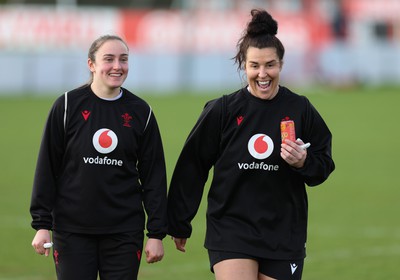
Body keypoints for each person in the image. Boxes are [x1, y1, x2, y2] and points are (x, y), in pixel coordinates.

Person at [167, 9, 335, 280]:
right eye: (254, 66)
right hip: (231, 226)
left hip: (284, 231)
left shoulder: (300, 109)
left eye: (270, 64)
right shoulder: (222, 110)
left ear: (281, 64)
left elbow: (324, 165)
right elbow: (193, 164)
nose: (262, 73)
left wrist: (304, 162)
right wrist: (179, 221)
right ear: (243, 66)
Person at [30, 35, 167, 280]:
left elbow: (154, 177)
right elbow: (47, 168)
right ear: (91, 64)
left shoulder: (141, 112)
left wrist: (156, 233)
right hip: (72, 231)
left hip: (124, 232)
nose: (117, 66)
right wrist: (42, 225)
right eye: (109, 59)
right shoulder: (66, 106)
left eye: (123, 59)